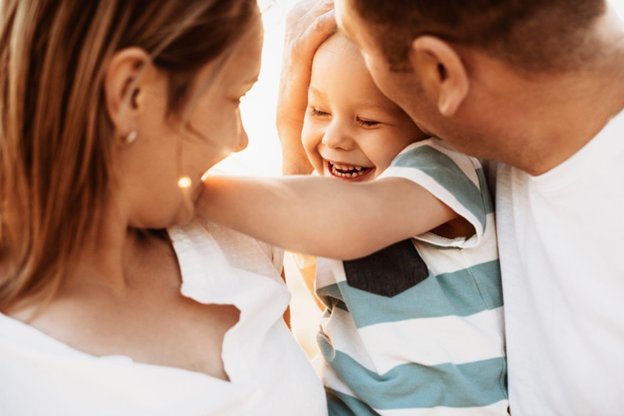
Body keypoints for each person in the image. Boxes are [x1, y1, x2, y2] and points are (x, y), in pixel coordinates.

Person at [277, 0, 624, 415]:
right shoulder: (497, 127)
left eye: (367, 53)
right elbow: (364, 323)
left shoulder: (444, 168)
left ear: (440, 72)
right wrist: (292, 138)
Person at [0, 1, 327, 415]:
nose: (240, 139)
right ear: (132, 93)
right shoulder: (14, 370)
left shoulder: (230, 235)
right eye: (235, 97)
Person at [198, 32, 508, 415]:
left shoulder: (442, 171)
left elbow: (349, 221)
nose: (334, 137)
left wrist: (195, 192)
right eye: (318, 111)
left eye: (367, 120)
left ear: (429, 122)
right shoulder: (329, 199)